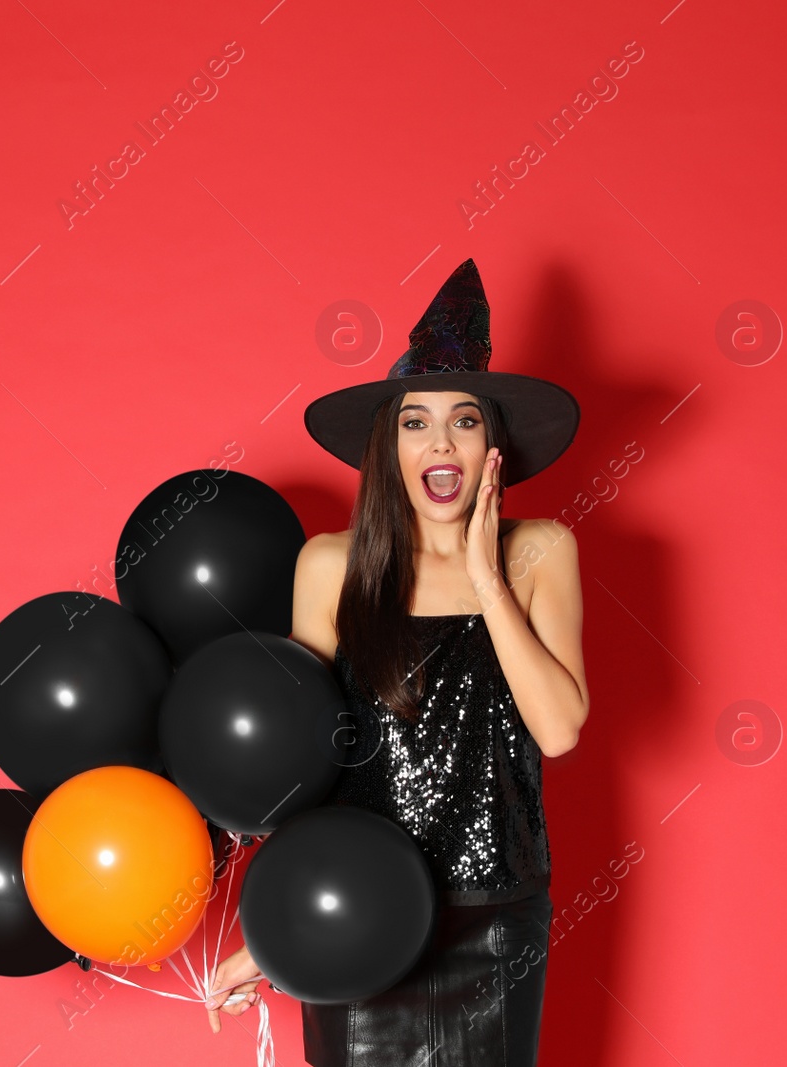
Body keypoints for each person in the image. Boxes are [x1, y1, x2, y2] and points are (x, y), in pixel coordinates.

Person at [206, 259, 589, 1066]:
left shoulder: (543, 551)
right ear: (389, 447)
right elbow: (299, 766)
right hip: (353, 909)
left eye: (464, 420)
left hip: (496, 915)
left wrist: (487, 577)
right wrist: (271, 938)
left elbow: (558, 729)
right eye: (415, 422)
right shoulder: (329, 566)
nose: (439, 441)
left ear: (494, 445)